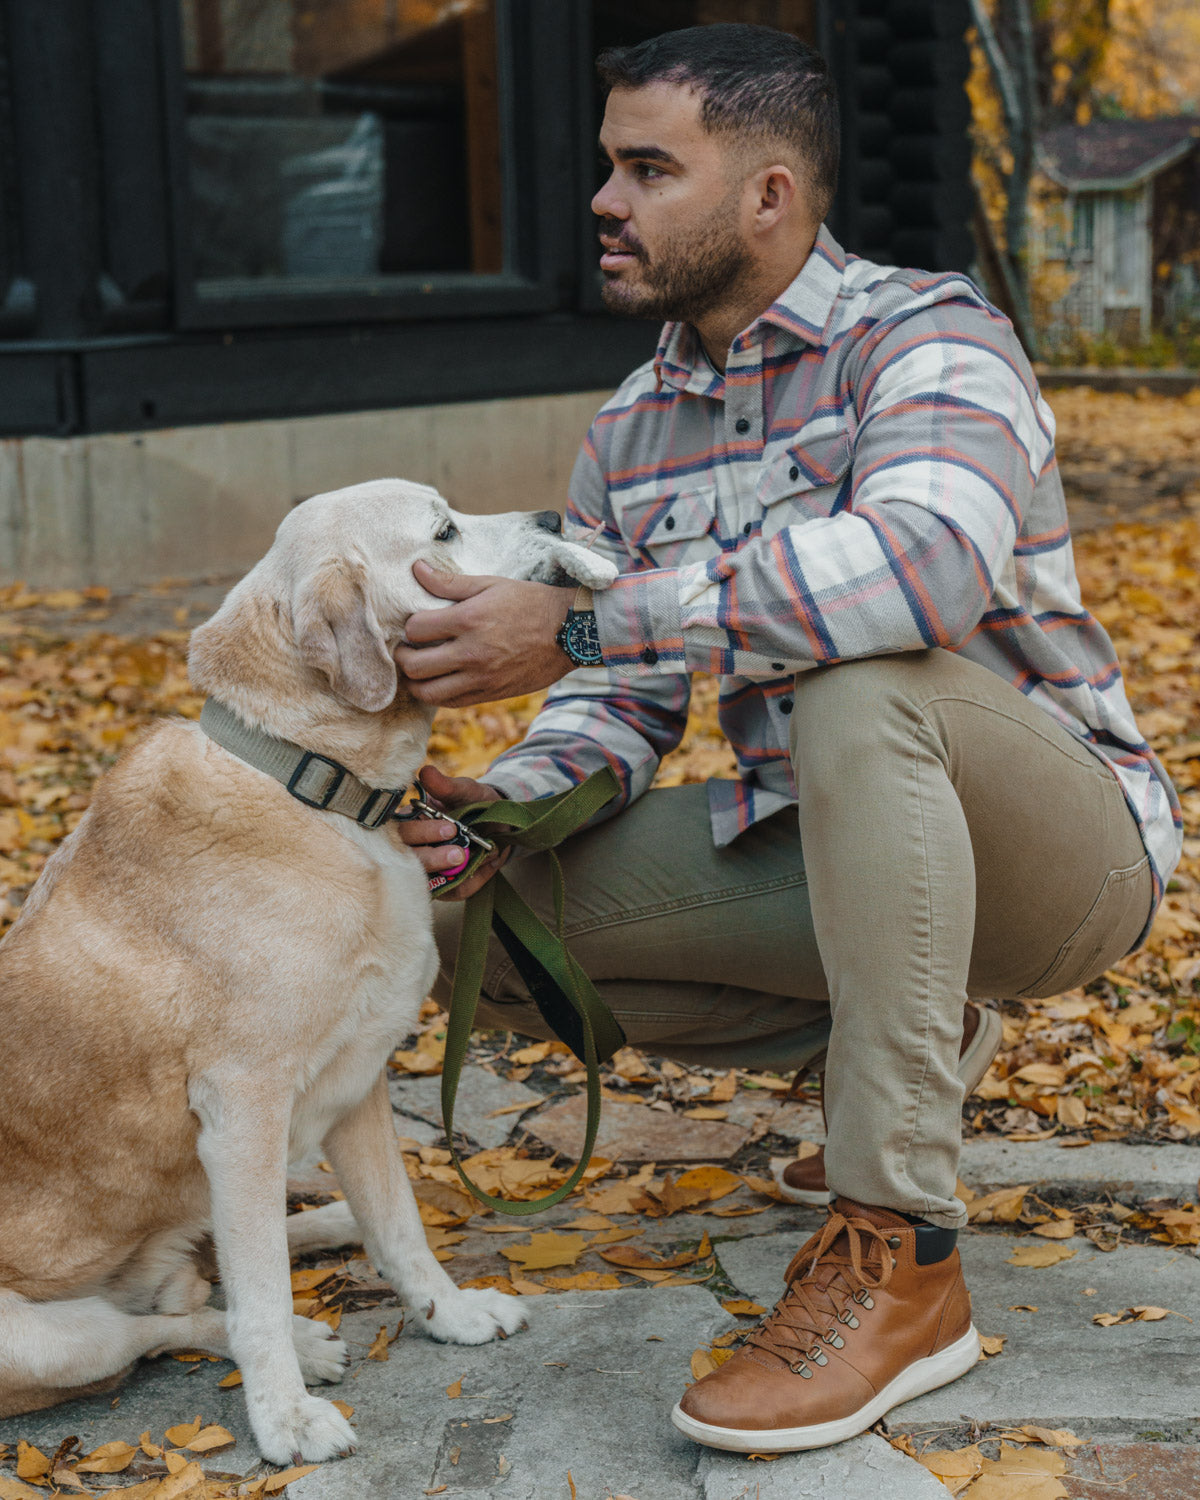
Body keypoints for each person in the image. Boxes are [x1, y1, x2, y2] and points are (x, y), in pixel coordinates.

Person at [393, 23, 1181, 1454]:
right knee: (452, 925)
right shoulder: (634, 427)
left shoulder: (929, 336)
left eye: (647, 169)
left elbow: (923, 573)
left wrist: (572, 622)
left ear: (768, 195)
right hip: (837, 857)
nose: (603, 203)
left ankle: (901, 1252)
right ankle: (910, 1032)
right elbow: (621, 704)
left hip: (1063, 854)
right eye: (607, 167)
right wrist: (504, 804)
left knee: (857, 670)